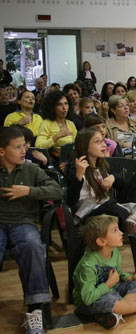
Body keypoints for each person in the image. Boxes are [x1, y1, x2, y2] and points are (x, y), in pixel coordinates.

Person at [0, 126, 63, 334]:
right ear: (2, 151)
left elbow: (56, 190)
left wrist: (29, 191)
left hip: (23, 222)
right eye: (17, 147)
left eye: (24, 146)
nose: (23, 151)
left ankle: (35, 310)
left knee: (33, 245)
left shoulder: (31, 169)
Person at [73, 214, 136, 329]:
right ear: (102, 241)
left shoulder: (115, 252)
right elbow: (87, 298)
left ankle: (115, 312)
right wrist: (108, 284)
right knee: (108, 300)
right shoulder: (87, 265)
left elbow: (119, 274)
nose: (121, 233)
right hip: (88, 303)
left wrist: (132, 277)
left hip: (112, 291)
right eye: (115, 230)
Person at [66, 128, 136, 232]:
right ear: (85, 146)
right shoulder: (75, 168)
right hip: (89, 212)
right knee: (110, 207)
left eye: (103, 141)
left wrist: (113, 178)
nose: (103, 145)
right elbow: (71, 201)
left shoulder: (102, 165)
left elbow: (123, 187)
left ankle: (133, 216)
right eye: (97, 142)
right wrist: (78, 177)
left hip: (110, 205)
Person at [35, 90, 77, 156]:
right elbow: (38, 146)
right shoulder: (46, 123)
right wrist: (57, 136)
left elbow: (77, 144)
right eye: (59, 104)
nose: (64, 108)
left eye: (66, 103)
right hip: (54, 160)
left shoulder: (71, 124)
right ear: (52, 107)